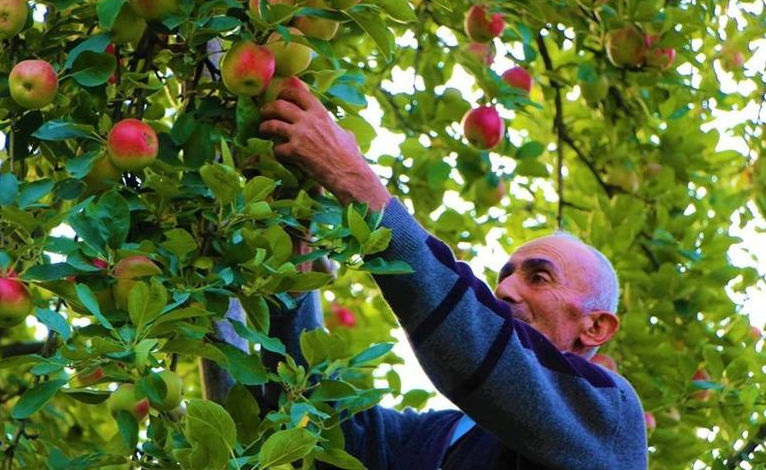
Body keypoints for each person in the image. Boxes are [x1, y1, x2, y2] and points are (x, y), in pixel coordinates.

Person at [255, 85, 649, 469]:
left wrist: (351, 177)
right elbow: (324, 424)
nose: (505, 290)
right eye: (504, 275)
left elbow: (475, 339)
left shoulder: (609, 417)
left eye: (540, 278)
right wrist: (294, 251)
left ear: (595, 326)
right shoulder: (438, 437)